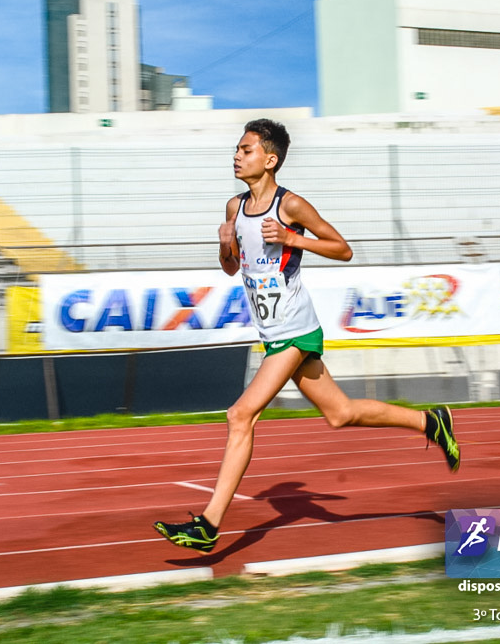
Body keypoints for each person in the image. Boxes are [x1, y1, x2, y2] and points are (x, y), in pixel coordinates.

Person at [153, 119, 459, 554]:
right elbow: (232, 267)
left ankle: (208, 525)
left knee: (241, 415)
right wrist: (224, 244)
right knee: (341, 413)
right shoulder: (233, 208)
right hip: (271, 332)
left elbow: (342, 248)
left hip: (296, 329)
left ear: (270, 159)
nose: (237, 156)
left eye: (246, 150)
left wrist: (295, 237)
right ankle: (431, 422)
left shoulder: (291, 205)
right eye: (237, 150)